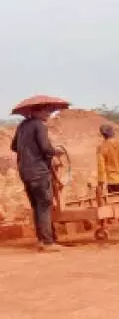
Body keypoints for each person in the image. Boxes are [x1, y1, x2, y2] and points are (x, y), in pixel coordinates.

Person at [10, 106, 63, 252]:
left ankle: (42, 240)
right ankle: (47, 242)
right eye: (46, 111)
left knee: (37, 206)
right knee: (44, 205)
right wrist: (56, 152)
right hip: (39, 172)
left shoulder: (22, 126)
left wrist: (28, 149)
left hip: (25, 172)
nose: (49, 114)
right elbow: (46, 148)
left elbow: (14, 146)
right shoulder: (39, 125)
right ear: (36, 112)